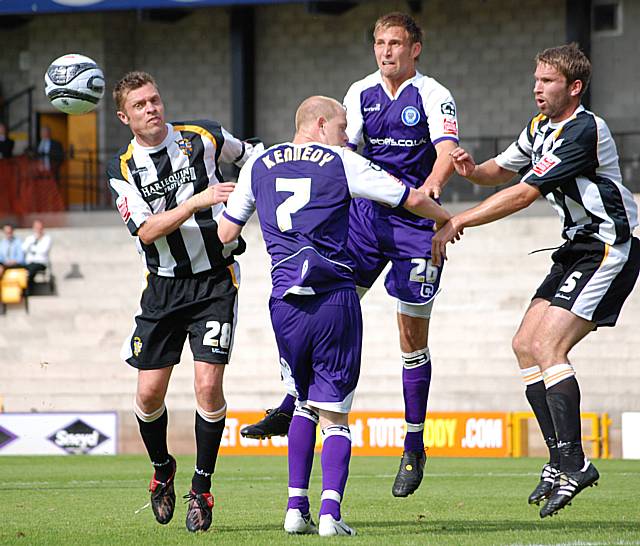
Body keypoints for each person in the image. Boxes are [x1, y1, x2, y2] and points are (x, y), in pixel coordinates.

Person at [241, 11, 459, 499]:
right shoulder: (360, 92)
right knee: (326, 301)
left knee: (410, 336)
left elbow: (445, 151)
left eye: (396, 43)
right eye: (380, 43)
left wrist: (432, 191)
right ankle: (291, 401)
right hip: (365, 219)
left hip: (413, 224)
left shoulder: (433, 95)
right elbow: (341, 149)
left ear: (415, 48)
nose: (386, 52)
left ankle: (413, 443)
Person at [218, 96, 451, 536]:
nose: (348, 136)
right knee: (336, 415)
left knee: (303, 403)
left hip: (284, 303)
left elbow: (227, 234)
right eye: (343, 126)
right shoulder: (340, 160)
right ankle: (330, 515)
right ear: (320, 124)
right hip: (333, 298)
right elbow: (408, 198)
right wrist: (447, 219)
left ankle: (294, 509)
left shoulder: (258, 164)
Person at [432, 44, 640, 518]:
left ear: (574, 87)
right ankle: (558, 460)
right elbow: (498, 173)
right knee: (525, 344)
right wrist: (470, 169)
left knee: (549, 347)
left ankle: (575, 461)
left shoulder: (584, 129)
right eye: (537, 80)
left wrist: (460, 221)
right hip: (575, 249)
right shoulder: (538, 128)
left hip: (609, 247)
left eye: (547, 81)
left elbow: (524, 193)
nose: (537, 88)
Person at [106, 71, 260, 532]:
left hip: (215, 281)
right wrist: (197, 202)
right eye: (140, 105)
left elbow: (255, 159)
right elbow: (147, 230)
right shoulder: (123, 168)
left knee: (208, 388)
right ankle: (162, 471)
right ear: (124, 116)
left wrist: (243, 209)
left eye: (154, 99)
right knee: (148, 395)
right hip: (163, 286)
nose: (151, 108)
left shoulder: (204, 136)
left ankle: (202, 487)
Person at [22, 219, 52, 291]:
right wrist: (34, 241)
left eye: (39, 228)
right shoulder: (30, 238)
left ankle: (28, 290)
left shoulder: (47, 238)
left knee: (31, 271)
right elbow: (24, 248)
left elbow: (43, 251)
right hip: (29, 262)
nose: (38, 230)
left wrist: (32, 249)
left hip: (41, 263)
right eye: (36, 228)